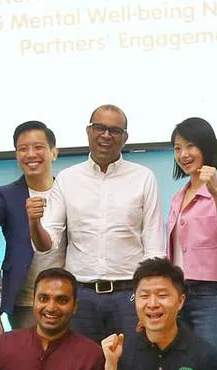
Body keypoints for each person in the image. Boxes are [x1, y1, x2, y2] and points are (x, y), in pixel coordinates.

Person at [31, 104, 164, 343]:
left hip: (129, 294)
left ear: (125, 137)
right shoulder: (68, 179)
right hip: (81, 296)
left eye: (114, 130)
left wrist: (148, 296)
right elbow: (48, 245)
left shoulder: (143, 178)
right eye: (99, 128)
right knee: (83, 364)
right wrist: (34, 224)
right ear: (88, 131)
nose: (106, 135)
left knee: (133, 361)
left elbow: (154, 247)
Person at [167, 117, 217, 367]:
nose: (183, 154)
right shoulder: (177, 197)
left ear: (206, 147)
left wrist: (215, 192)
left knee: (210, 369)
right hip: (177, 295)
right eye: (177, 148)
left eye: (190, 146)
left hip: (210, 296)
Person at [0, 121, 60, 330]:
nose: (31, 154)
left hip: (69, 295)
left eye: (38, 147)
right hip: (26, 300)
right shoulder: (7, 194)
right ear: (17, 155)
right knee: (26, 350)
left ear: (53, 152)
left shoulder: (68, 190)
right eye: (23, 149)